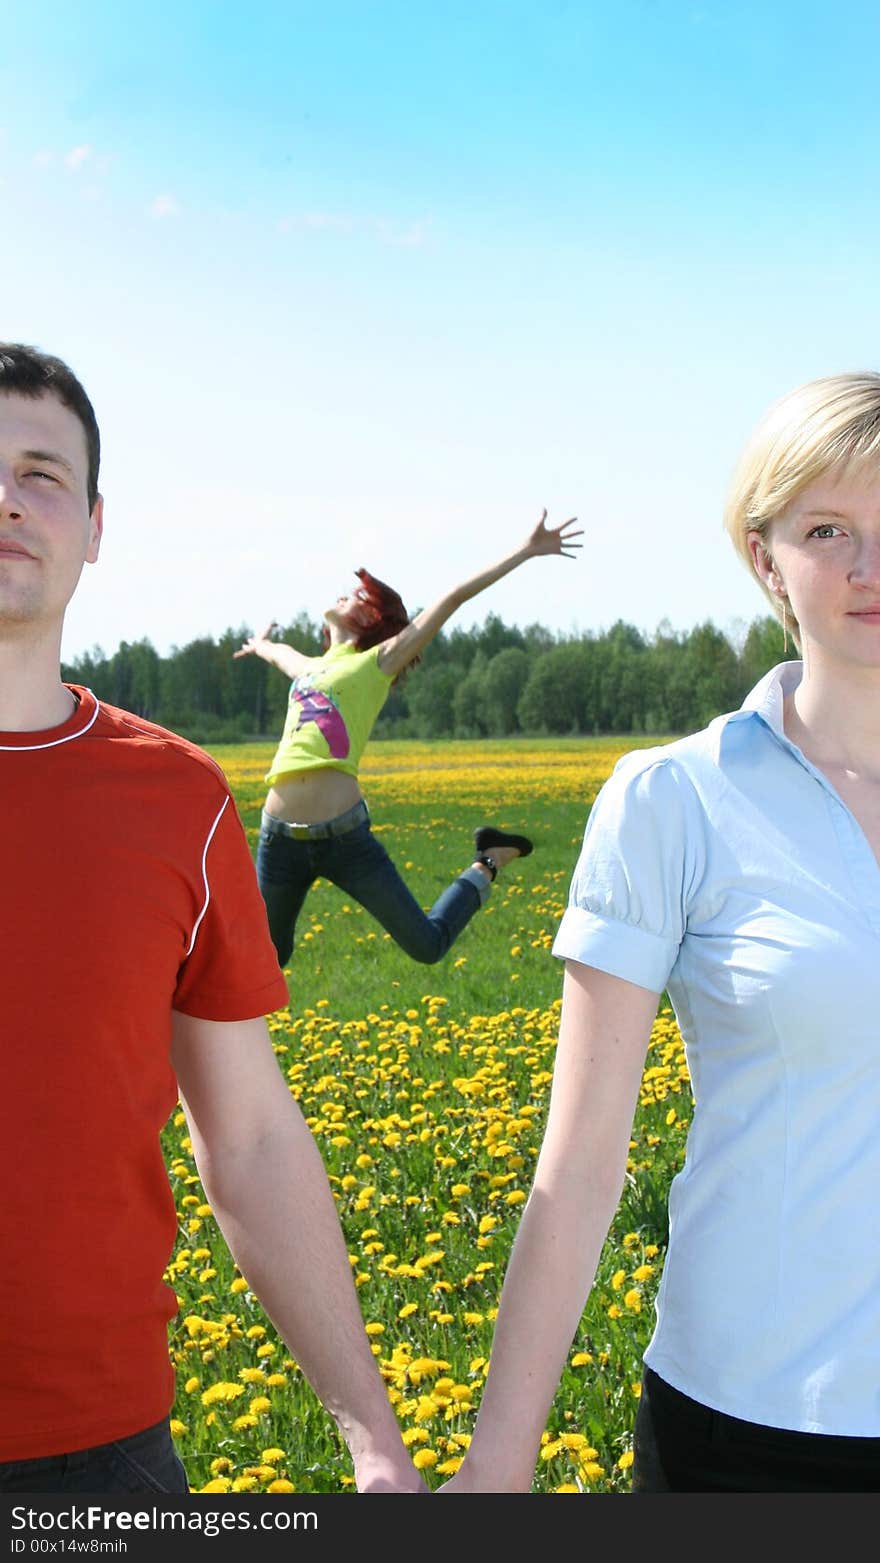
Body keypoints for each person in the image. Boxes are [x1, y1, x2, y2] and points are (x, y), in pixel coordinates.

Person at [439, 371, 880, 1494]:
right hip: (755, 1422)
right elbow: (582, 1166)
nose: (865, 566)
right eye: (827, 528)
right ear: (762, 555)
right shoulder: (675, 800)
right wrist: (496, 1465)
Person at [0, 342, 427, 1495]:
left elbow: (246, 1136)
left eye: (41, 473)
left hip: (97, 1454)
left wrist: (374, 1441)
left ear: (94, 525)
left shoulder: (178, 799)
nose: (6, 499)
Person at [234, 512, 582, 968]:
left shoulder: (378, 662)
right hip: (279, 842)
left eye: (359, 597)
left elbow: (452, 597)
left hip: (344, 840)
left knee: (426, 945)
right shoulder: (311, 668)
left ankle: (489, 860)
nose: (346, 594)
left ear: (373, 622)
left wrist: (526, 549)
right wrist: (260, 644)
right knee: (265, 959)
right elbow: (280, 655)